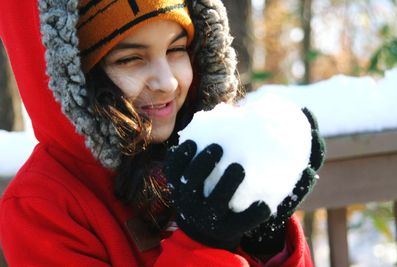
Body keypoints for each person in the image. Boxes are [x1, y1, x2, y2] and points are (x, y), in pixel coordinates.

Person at [0, 0, 325, 266]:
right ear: (76, 77)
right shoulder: (40, 207)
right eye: (130, 58)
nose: (167, 81)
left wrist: (268, 247)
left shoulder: (209, 153)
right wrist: (201, 248)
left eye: (176, 49)